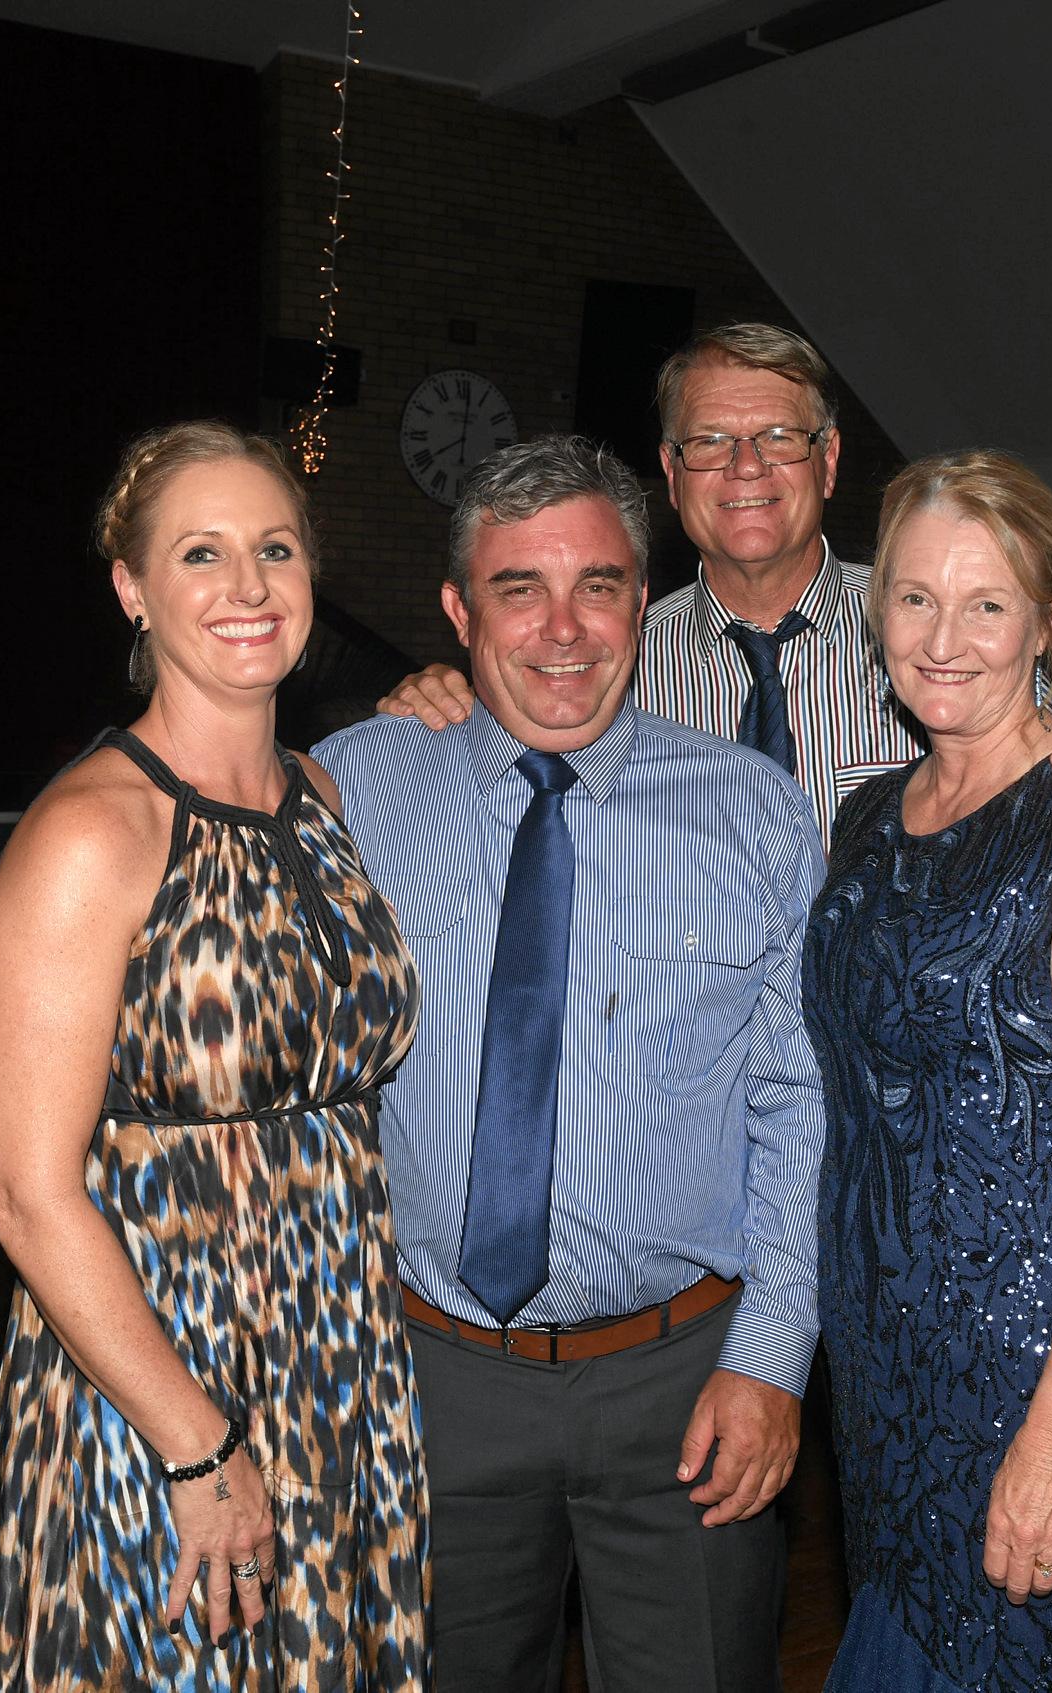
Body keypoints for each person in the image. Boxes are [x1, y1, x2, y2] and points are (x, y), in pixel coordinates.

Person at [313, 436, 823, 1691]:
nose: (562, 629)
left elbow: (800, 1104)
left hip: (685, 1383)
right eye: (516, 588)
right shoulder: (353, 789)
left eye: (597, 585)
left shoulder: (754, 808)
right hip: (435, 1381)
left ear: (639, 604)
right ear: (456, 609)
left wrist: (770, 1358)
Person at [0, 423, 428, 1690]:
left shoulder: (322, 800)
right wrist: (197, 1444)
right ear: (133, 586)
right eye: (202, 553)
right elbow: (21, 1191)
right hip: (164, 1371)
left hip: (338, 1358)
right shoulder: (91, 834)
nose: (248, 587)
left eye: (275, 549)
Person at [805, 450, 1052, 1690]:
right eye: (916, 598)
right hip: (880, 1367)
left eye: (987, 603)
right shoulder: (867, 817)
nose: (945, 638)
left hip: (1034, 1369)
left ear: (1051, 617)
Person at [377, 322, 1052, 837]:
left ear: (828, 460)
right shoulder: (604, 661)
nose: (745, 467)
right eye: (710, 440)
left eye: (777, 435)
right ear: (671, 469)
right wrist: (437, 701)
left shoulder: (928, 635)